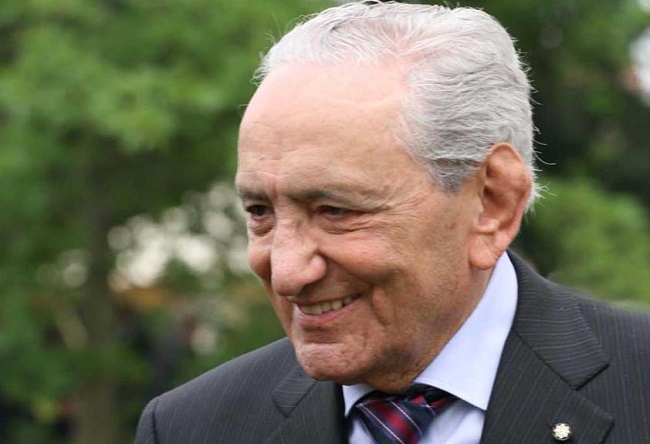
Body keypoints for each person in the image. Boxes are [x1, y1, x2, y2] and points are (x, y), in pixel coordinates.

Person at [135, 2, 650, 443]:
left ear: (492, 204)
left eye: (334, 211)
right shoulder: (192, 427)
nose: (287, 272)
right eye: (260, 213)